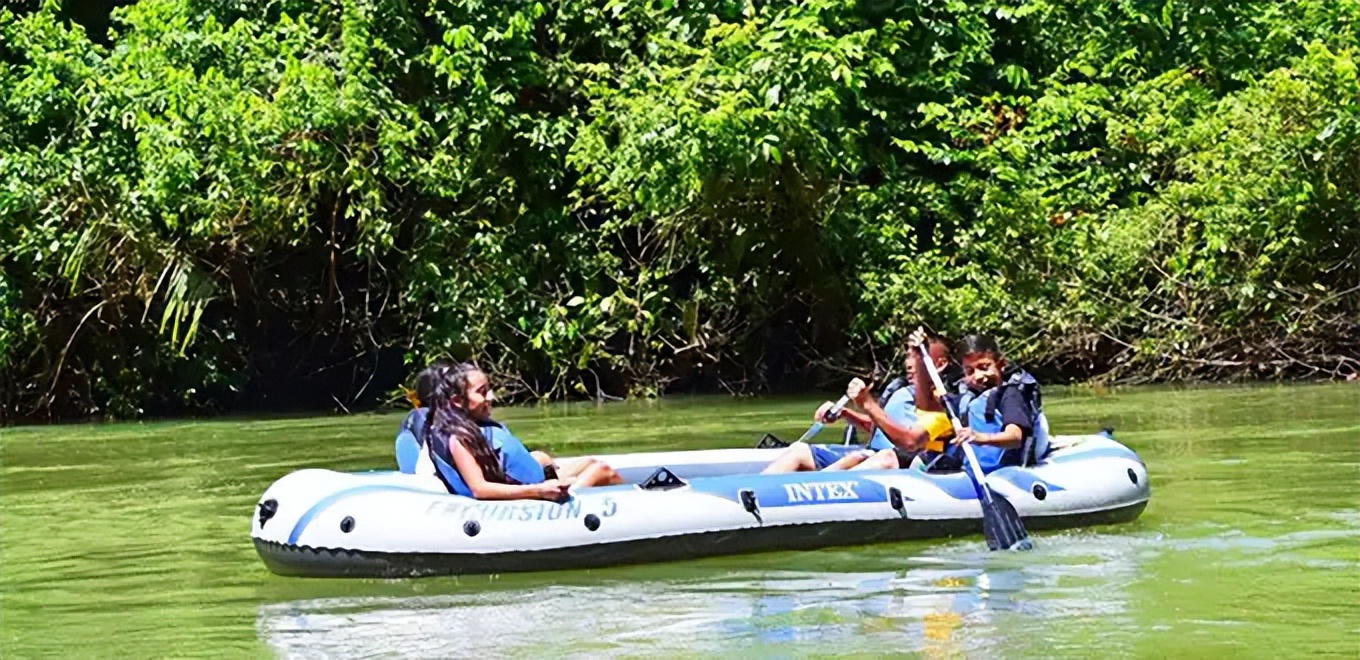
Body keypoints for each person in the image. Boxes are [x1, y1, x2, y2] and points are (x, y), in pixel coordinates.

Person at [760, 331, 957, 474]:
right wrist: (846, 414)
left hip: (894, 464)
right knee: (799, 450)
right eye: (909, 355)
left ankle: (817, 491)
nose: (909, 363)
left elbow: (908, 442)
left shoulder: (942, 405)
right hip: (871, 454)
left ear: (939, 364)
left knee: (878, 458)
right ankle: (754, 491)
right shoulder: (903, 392)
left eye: (917, 357)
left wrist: (867, 403)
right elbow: (881, 428)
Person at [422, 363, 622, 500]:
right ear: (458, 401)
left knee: (590, 463)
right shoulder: (459, 439)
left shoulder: (468, 427)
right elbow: (479, 489)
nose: (490, 397)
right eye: (482, 392)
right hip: (528, 497)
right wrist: (538, 490)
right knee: (602, 471)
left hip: (528, 483)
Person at [906, 333, 1047, 474]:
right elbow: (925, 405)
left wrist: (980, 438)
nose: (978, 376)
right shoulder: (968, 394)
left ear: (1001, 364)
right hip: (972, 470)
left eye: (984, 367)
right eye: (970, 371)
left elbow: (1015, 437)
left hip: (1005, 473)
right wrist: (920, 361)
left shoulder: (1011, 394)